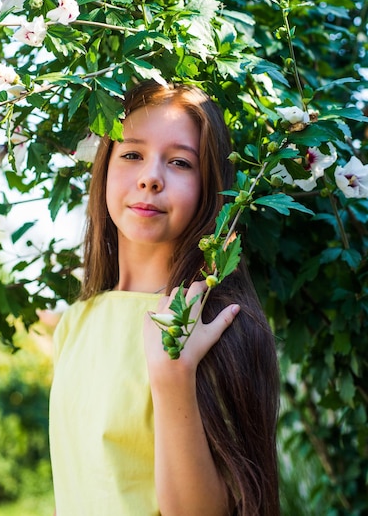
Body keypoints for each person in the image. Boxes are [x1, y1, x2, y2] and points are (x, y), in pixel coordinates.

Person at [49, 81, 280, 516]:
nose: (150, 177)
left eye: (179, 162)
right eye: (132, 154)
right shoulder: (74, 323)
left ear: (209, 187)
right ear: (104, 168)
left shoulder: (213, 323)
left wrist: (173, 376)